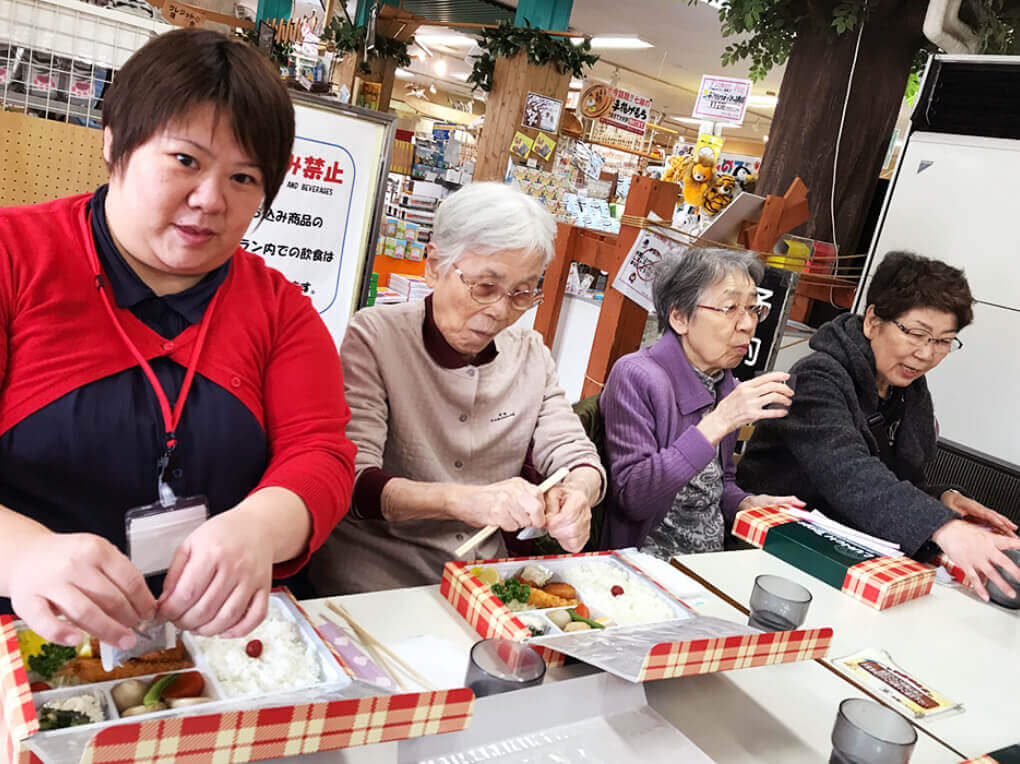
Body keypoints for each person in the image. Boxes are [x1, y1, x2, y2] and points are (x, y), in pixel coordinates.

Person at [0, 29, 356, 649]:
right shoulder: (14, 257)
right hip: (25, 637)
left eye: (244, 177)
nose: (210, 199)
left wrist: (259, 526)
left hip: (212, 640)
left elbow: (321, 453)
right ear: (116, 143)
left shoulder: (279, 309)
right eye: (185, 160)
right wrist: (22, 551)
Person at [307, 182, 605, 594]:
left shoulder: (530, 354)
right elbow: (355, 482)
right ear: (434, 265)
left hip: (480, 580)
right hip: (374, 580)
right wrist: (467, 500)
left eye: (522, 293)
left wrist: (578, 493)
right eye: (484, 287)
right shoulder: (377, 337)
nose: (500, 311)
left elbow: (576, 454)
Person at [738, 251, 1020, 601]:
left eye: (943, 341)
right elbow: (850, 477)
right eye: (916, 333)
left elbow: (893, 481)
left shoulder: (906, 387)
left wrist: (947, 499)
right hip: (773, 553)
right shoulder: (817, 377)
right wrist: (944, 527)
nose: (926, 353)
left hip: (854, 553)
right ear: (872, 320)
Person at [600, 247, 803, 557]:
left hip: (709, 563)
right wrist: (720, 421)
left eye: (752, 308)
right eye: (730, 307)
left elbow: (717, 484)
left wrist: (745, 503)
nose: (747, 324)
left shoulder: (723, 380)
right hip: (648, 564)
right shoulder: (637, 375)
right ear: (680, 317)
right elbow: (634, 497)